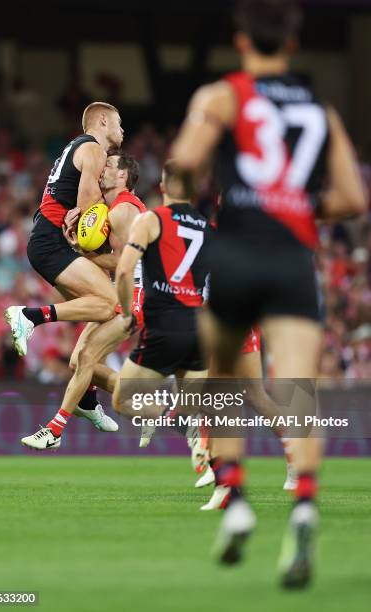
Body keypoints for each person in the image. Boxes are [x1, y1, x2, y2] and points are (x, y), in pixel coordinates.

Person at [172, 0, 366, 588]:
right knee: (298, 387)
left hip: (236, 252)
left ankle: (235, 503)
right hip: (292, 257)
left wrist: (206, 196)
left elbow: (183, 162)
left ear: (240, 40)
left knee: (225, 381)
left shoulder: (222, 96)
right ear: (293, 42)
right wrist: (299, 206)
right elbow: (354, 199)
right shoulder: (320, 109)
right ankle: (304, 504)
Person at [21, 152, 148, 451]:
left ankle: (54, 430)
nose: (102, 170)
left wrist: (77, 251)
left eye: (110, 167)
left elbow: (121, 261)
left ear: (123, 176)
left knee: (88, 358)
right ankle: (156, 410)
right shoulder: (113, 208)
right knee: (79, 361)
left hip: (134, 294)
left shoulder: (124, 209)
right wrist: (79, 245)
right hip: (120, 290)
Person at [5, 102, 124, 358]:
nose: (122, 130)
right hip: (52, 241)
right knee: (114, 303)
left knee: (102, 310)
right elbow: (88, 200)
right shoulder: (93, 148)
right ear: (103, 120)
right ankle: (28, 316)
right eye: (119, 123)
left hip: (47, 239)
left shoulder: (76, 146)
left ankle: (88, 395)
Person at [112, 160, 211, 421]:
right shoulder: (210, 231)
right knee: (191, 410)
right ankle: (206, 446)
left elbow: (123, 272)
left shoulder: (150, 220)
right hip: (200, 330)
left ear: (163, 185)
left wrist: (126, 313)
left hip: (166, 325)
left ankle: (178, 421)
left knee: (122, 400)